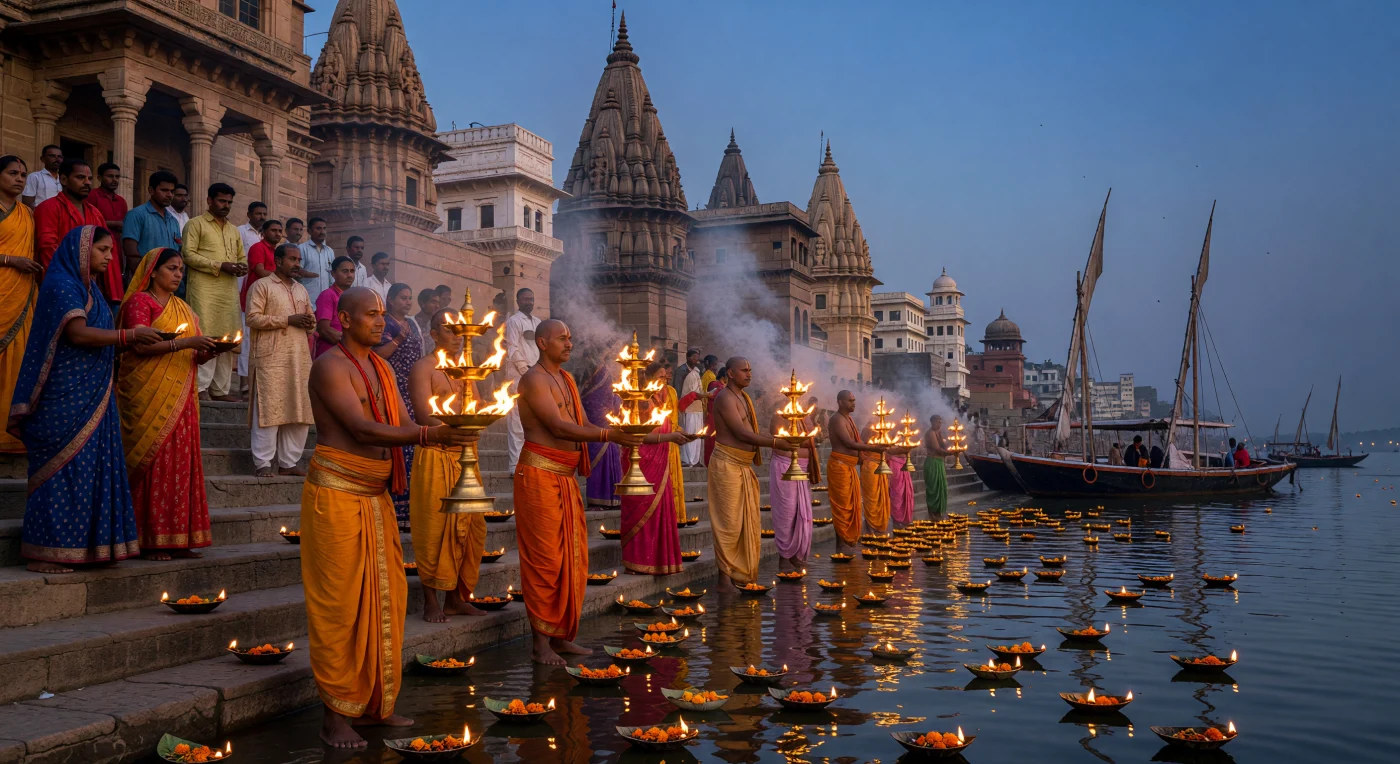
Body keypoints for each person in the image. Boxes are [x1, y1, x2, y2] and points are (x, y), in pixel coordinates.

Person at [302, 287, 474, 748]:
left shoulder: (380, 366)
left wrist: (461, 424)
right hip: (337, 492)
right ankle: (334, 716)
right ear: (343, 318)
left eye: (382, 315)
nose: (381, 322)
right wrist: (427, 435)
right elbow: (360, 428)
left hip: (374, 494)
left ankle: (376, 705)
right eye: (371, 315)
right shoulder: (329, 366)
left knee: (386, 601)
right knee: (340, 608)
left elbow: (400, 417)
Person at [8, 226, 160, 573]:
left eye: (111, 251)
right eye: (103, 250)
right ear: (81, 251)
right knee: (61, 470)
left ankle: (86, 549)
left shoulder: (91, 289)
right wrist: (129, 335)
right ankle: (45, 552)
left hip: (94, 391)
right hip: (64, 395)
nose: (110, 256)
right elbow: (76, 333)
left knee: (91, 469)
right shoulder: (63, 284)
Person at [515, 319, 641, 664]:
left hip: (566, 476)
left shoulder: (566, 378)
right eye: (562, 338)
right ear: (542, 342)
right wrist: (608, 436)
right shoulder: (533, 379)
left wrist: (625, 428)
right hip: (539, 474)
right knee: (545, 560)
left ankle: (561, 636)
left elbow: (583, 424)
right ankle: (540, 644)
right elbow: (556, 425)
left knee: (570, 558)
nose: (569, 343)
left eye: (571, 337)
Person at [117, 247, 220, 559]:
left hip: (181, 395)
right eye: (172, 269)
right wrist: (186, 343)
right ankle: (149, 540)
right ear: (153, 271)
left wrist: (211, 349)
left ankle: (178, 537)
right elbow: (140, 345)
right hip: (146, 395)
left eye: (180, 270)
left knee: (180, 464)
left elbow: (195, 354)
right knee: (153, 462)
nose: (178, 274)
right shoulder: (140, 302)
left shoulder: (184, 309)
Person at [408, 309, 488, 622]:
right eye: (449, 330)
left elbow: (479, 407)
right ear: (433, 334)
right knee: (434, 528)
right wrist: (454, 428)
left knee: (470, 528)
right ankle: (431, 601)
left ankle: (457, 598)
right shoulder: (423, 368)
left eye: (460, 331)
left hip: (466, 456)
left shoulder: (466, 369)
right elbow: (422, 417)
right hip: (435, 454)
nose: (457, 337)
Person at [709, 357, 794, 586]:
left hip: (742, 465)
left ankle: (739, 576)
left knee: (744, 524)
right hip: (727, 464)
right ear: (730, 373)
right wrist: (776, 442)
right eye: (744, 370)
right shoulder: (725, 397)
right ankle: (724, 581)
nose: (749, 374)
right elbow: (741, 433)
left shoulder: (743, 397)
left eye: (750, 369)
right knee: (729, 525)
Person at [620, 361, 699, 575]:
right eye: (660, 377)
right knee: (641, 509)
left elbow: (665, 427)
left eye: (666, 377)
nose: (664, 380)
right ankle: (636, 561)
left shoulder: (659, 399)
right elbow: (632, 436)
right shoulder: (641, 400)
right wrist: (669, 437)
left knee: (660, 510)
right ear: (647, 377)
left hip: (661, 460)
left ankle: (658, 560)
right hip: (640, 462)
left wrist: (679, 435)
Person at [245, 243, 315, 477]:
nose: (297, 264)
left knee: (299, 411)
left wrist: (309, 322)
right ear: (278, 260)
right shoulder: (261, 286)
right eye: (292, 259)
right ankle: (263, 462)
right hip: (270, 358)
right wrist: (288, 320)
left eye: (299, 260)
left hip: (299, 358)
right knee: (269, 410)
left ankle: (288, 462)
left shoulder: (301, 290)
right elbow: (252, 318)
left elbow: (310, 318)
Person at [182, 183, 247, 401]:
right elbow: (188, 255)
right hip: (204, 291)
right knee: (206, 336)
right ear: (209, 201)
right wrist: (220, 266)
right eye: (221, 201)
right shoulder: (195, 224)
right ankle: (200, 388)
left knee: (227, 337)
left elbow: (241, 256)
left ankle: (221, 390)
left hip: (228, 291)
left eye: (229, 202)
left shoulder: (233, 230)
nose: (225, 206)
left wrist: (241, 266)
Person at [373, 283, 424, 528]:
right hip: (392, 389)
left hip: (412, 391)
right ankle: (395, 508)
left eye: (410, 298)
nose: (408, 302)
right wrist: (398, 338)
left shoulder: (413, 323)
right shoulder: (384, 323)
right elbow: (379, 355)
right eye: (403, 298)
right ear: (391, 300)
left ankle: (409, 508)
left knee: (412, 449)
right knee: (398, 448)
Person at [0, 156, 41, 454]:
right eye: (12, 173)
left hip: (23, 295)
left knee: (19, 360)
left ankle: (10, 435)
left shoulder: (27, 214)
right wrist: (10, 260)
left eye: (23, 175)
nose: (19, 179)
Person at [766, 390, 819, 572]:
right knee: (786, 513)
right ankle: (784, 557)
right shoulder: (780, 414)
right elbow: (781, 440)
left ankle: (797, 554)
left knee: (801, 514)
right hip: (784, 466)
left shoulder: (805, 415)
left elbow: (811, 438)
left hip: (802, 469)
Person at [827, 390, 886, 549]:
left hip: (850, 466)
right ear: (840, 402)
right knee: (843, 508)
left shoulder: (849, 419)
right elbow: (848, 443)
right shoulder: (837, 419)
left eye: (854, 400)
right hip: (840, 466)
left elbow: (855, 443)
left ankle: (846, 543)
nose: (854, 403)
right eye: (850, 401)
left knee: (851, 505)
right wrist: (873, 447)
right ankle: (841, 545)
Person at [34, 159, 105, 271]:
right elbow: (47, 250)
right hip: (60, 279)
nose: (87, 182)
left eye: (90, 178)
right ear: (64, 179)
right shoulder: (48, 208)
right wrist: (71, 278)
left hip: (91, 281)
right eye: (80, 177)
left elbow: (105, 248)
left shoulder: (95, 213)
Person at [503, 287, 541, 469]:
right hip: (518, 376)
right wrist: (525, 370)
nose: (529, 302)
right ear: (518, 301)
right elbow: (512, 347)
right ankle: (515, 464)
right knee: (516, 419)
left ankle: (532, 461)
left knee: (535, 418)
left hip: (536, 375)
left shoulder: (538, 322)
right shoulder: (513, 321)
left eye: (531, 299)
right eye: (526, 299)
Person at [121, 171, 183, 280]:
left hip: (170, 284)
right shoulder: (136, 215)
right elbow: (131, 254)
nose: (169, 195)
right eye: (164, 190)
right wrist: (148, 280)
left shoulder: (173, 221)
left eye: (172, 191)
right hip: (145, 283)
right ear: (151, 190)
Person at [581, 363, 623, 509]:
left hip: (609, 424)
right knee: (599, 459)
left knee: (612, 451)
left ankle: (613, 499)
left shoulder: (608, 369)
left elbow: (612, 397)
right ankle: (597, 500)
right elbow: (590, 401)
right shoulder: (590, 368)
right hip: (595, 424)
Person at [314, 256, 357, 357]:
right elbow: (324, 329)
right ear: (333, 274)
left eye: (352, 271)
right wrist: (351, 343)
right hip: (331, 353)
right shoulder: (328, 295)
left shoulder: (354, 297)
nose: (350, 275)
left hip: (351, 352)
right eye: (345, 271)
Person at [241, 219, 282, 313]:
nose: (277, 234)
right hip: (258, 294)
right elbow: (260, 271)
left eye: (280, 231)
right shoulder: (258, 247)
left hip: (271, 295)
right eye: (273, 230)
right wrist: (282, 277)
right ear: (263, 232)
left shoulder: (276, 251)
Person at [860, 420, 893, 534]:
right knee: (872, 499)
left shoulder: (883, 431)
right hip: (870, 466)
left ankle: (879, 527)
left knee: (882, 498)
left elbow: (888, 448)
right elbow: (862, 446)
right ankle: (870, 529)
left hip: (881, 466)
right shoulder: (867, 430)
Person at [297, 217, 334, 304]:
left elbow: (332, 277)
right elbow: (296, 270)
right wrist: (306, 274)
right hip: (307, 299)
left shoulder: (330, 251)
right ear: (309, 231)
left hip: (326, 300)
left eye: (324, 228)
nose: (322, 232)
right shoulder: (301, 249)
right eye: (318, 228)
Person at [678, 348, 705, 466]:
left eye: (697, 357)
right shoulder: (681, 371)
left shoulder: (697, 372)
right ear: (688, 358)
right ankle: (687, 459)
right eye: (694, 357)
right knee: (688, 431)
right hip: (687, 406)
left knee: (698, 432)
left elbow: (699, 389)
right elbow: (677, 389)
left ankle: (695, 459)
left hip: (697, 407)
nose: (696, 359)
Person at [91, 163, 128, 240]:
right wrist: (114, 223)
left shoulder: (121, 201)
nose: (114, 179)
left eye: (117, 177)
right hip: (97, 243)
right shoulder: (92, 196)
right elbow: (87, 222)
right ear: (99, 178)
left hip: (117, 245)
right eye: (110, 176)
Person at [886, 433, 915, 528]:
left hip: (904, 464)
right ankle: (897, 520)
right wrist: (904, 448)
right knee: (896, 493)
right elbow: (888, 450)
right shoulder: (888, 435)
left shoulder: (904, 433)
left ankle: (905, 519)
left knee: (906, 493)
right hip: (894, 465)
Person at [923, 414, 950, 517]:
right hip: (932, 462)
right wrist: (951, 453)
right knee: (933, 489)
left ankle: (939, 512)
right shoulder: (930, 433)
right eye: (937, 422)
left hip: (939, 463)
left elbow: (944, 446)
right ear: (932, 422)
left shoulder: (938, 433)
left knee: (942, 488)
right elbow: (937, 449)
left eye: (940, 422)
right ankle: (933, 513)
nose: (939, 424)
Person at [702, 365, 728, 465]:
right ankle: (710, 463)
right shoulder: (714, 384)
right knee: (711, 441)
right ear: (724, 376)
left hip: (720, 417)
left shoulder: (723, 386)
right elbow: (714, 394)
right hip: (712, 417)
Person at [413, 288, 440, 357]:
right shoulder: (411, 323)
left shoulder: (437, 325)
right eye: (433, 302)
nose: (437, 306)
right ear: (422, 303)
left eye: (438, 302)